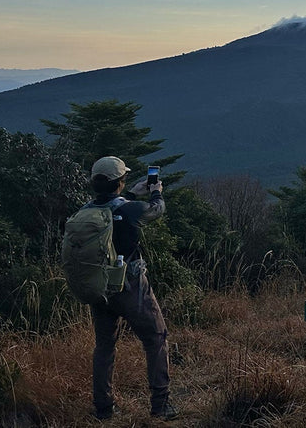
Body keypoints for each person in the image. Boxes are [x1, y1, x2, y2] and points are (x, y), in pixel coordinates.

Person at [86, 155, 178, 421]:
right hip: (129, 285)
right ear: (119, 182)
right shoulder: (129, 209)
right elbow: (156, 211)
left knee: (104, 346)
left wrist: (131, 193)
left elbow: (112, 206)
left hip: (99, 287)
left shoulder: (86, 210)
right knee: (156, 337)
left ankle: (103, 408)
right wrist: (156, 192)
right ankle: (161, 406)